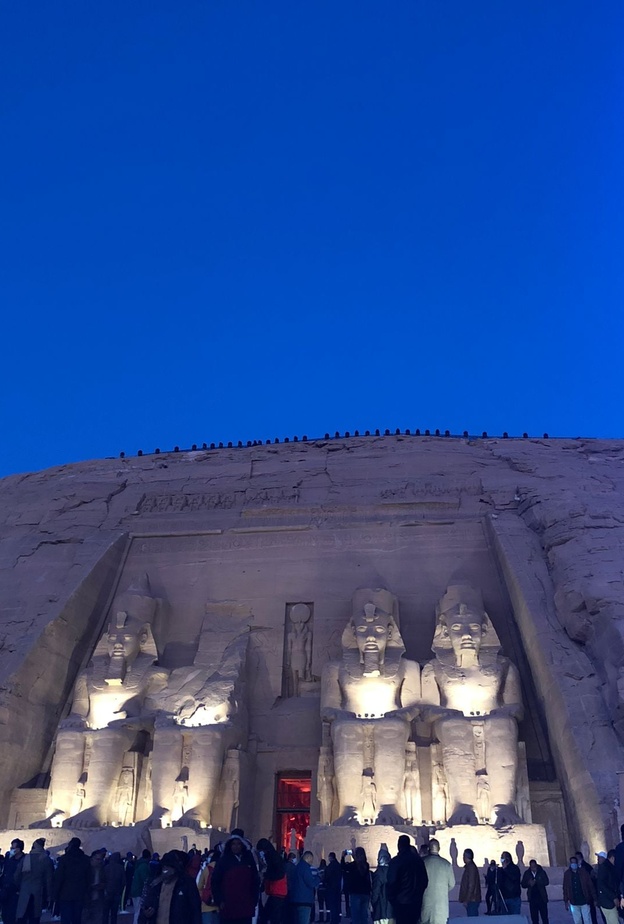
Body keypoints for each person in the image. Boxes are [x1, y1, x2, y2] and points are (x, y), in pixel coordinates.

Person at [139, 850, 201, 924]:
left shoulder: (186, 884)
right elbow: (145, 907)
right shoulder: (155, 884)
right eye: (164, 867)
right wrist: (146, 914)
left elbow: (195, 910)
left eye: (169, 867)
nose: (166, 870)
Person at [211, 834, 260, 924]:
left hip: (245, 905)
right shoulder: (224, 861)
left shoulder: (248, 860)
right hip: (228, 905)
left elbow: (255, 881)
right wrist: (219, 900)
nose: (236, 847)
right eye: (233, 844)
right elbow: (215, 881)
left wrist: (254, 900)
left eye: (238, 844)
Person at [387, 835, 428, 924]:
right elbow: (424, 881)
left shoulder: (396, 861)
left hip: (401, 903)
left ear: (399, 845)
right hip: (416, 902)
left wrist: (393, 900)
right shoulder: (418, 861)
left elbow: (391, 883)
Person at [53, 836, 91, 924]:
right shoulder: (85, 859)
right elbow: (89, 877)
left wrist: (55, 893)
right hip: (80, 893)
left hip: (65, 893)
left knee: (66, 918)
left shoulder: (64, 859)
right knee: (77, 919)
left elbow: (59, 877)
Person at [15, 838, 53, 924]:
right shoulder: (46, 859)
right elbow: (49, 879)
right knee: (34, 917)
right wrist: (49, 895)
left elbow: (17, 875)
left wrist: (19, 887)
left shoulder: (26, 858)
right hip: (37, 892)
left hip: (24, 891)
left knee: (22, 916)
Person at [421, 839, 455, 924]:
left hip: (425, 903)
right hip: (441, 907)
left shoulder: (422, 862)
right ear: (439, 848)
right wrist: (442, 890)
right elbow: (452, 884)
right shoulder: (446, 864)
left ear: (428, 848)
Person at [256, 839, 288, 924]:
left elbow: (279, 873)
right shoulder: (272, 856)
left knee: (270, 916)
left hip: (277, 891)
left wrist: (265, 875)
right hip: (275, 891)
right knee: (268, 915)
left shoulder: (273, 857)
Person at [563, 855, 596, 924]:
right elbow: (565, 888)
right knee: (577, 921)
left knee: (587, 920)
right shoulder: (567, 874)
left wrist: (594, 898)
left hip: (584, 900)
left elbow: (590, 886)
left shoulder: (583, 872)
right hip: (574, 902)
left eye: (574, 862)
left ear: (577, 863)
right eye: (572, 863)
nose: (573, 864)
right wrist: (566, 901)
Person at [341, 848, 370, 924]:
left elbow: (343, 867)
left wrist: (343, 857)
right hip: (365, 893)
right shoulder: (366, 865)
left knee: (356, 916)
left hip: (355, 893)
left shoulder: (352, 865)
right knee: (364, 916)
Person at [290, 851, 320, 924]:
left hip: (295, 899)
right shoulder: (305, 868)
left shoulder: (297, 867)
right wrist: (318, 878)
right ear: (308, 858)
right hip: (304, 900)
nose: (312, 861)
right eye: (311, 859)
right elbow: (311, 883)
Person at [1, 838, 25, 924]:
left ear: (19, 849)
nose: (11, 849)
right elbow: (5, 873)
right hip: (6, 891)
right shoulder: (9, 859)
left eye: (13, 847)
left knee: (14, 916)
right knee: (5, 916)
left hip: (17, 892)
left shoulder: (25, 860)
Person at [521, 859, 549, 924]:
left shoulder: (541, 872)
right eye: (532, 866)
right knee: (534, 918)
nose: (533, 868)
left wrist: (537, 881)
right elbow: (523, 884)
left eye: (534, 866)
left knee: (544, 917)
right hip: (532, 898)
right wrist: (529, 883)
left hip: (542, 897)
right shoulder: (527, 873)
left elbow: (546, 882)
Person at [197, 848, 219, 924]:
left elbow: (199, 887)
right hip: (219, 907)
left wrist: (203, 897)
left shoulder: (206, 869)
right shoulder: (223, 869)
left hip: (206, 906)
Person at [595, 851, 619, 924]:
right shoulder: (605, 868)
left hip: (606, 900)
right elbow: (602, 885)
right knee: (614, 921)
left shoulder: (607, 867)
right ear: (612, 858)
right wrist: (613, 897)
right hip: (607, 901)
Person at [371, 847, 393, 924]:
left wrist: (372, 903)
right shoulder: (393, 872)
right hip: (392, 911)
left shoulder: (379, 873)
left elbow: (375, 892)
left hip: (381, 910)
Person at [102, 852, 125, 924]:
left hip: (107, 893)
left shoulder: (106, 867)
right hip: (116, 893)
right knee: (114, 914)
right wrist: (120, 891)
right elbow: (124, 882)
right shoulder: (121, 868)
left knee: (105, 913)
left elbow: (102, 880)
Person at [459, 849, 481, 917]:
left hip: (472, 900)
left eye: (463, 856)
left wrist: (467, 899)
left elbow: (471, 885)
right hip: (472, 899)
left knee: (472, 919)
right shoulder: (470, 867)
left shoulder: (471, 867)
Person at [131, 850, 152, 924]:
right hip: (140, 891)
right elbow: (145, 880)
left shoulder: (138, 864)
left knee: (136, 911)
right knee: (139, 911)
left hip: (135, 890)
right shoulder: (144, 866)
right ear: (149, 857)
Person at [323, 853, 342, 924]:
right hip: (338, 888)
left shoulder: (330, 867)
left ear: (330, 857)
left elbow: (326, 877)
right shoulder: (338, 866)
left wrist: (324, 882)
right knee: (338, 904)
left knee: (332, 905)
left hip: (331, 888)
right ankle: (338, 918)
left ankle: (333, 920)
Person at [317, 860, 327, 924]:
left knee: (321, 905)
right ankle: (328, 918)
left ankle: (321, 918)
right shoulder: (327, 869)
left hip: (320, 889)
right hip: (326, 888)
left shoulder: (318, 869)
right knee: (327, 904)